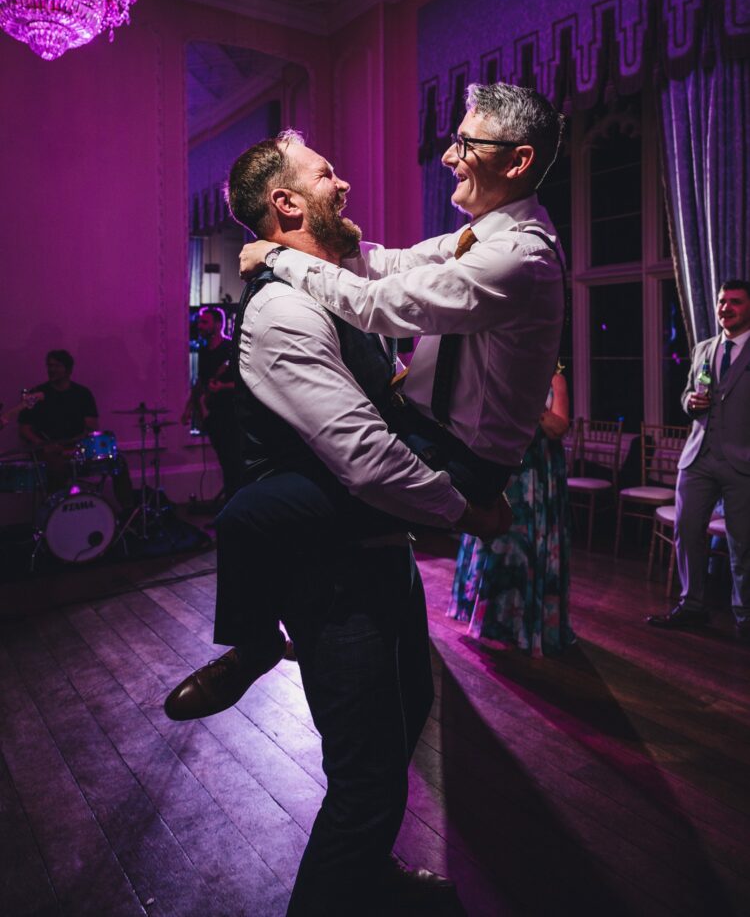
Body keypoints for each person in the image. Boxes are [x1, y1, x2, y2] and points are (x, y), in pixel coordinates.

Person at [166, 131, 507, 916]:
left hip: (374, 552)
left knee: (407, 710)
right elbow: (364, 456)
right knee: (365, 775)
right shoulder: (284, 310)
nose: (343, 180)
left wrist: (471, 242)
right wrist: (465, 513)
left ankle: (368, 873)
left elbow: (398, 260)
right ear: (286, 204)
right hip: (327, 572)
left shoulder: (328, 277)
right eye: (326, 174)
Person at [238, 81, 566, 491]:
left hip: (456, 456)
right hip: (429, 436)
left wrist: (277, 256)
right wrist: (331, 246)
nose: (448, 156)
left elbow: (376, 305)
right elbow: (396, 263)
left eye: (466, 144)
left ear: (517, 161)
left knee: (256, 513)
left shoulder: (517, 256)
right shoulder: (483, 238)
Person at [647, 279, 750, 640]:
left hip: (743, 462)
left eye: (735, 302)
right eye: (722, 301)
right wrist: (689, 402)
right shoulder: (703, 348)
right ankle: (692, 605)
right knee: (687, 532)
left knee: (743, 543)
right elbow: (689, 394)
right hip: (698, 458)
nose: (726, 308)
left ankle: (745, 617)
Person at [448, 365, 576, 655]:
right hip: (504, 470)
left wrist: (530, 404)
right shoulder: (499, 370)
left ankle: (524, 622)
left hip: (536, 478)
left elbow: (559, 426)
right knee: (495, 544)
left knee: (527, 549)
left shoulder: (554, 378)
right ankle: (487, 616)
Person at [182, 306, 244, 501]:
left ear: (218, 324)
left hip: (232, 414)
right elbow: (200, 382)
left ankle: (236, 503)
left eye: (205, 322)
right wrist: (189, 408)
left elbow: (245, 383)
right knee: (225, 461)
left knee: (234, 461)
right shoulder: (203, 350)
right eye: (200, 322)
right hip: (213, 414)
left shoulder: (230, 348)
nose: (200, 326)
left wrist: (223, 386)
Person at [18, 350, 98, 491]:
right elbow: (24, 428)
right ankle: (61, 508)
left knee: (118, 461)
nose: (52, 369)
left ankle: (128, 508)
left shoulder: (83, 393)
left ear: (68, 369)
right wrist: (42, 444)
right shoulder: (36, 394)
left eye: (57, 366)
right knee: (58, 467)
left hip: (78, 450)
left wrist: (76, 449)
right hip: (49, 451)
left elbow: (91, 427)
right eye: (49, 366)